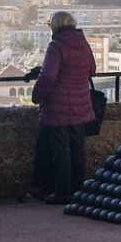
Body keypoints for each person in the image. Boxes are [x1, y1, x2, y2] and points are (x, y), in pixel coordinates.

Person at [32, 11, 97, 205]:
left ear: (55, 26)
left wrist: (37, 95)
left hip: (58, 107)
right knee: (77, 150)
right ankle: (78, 189)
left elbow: (49, 77)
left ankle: (62, 192)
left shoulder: (56, 46)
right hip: (81, 105)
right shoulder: (82, 43)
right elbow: (92, 69)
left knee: (61, 152)